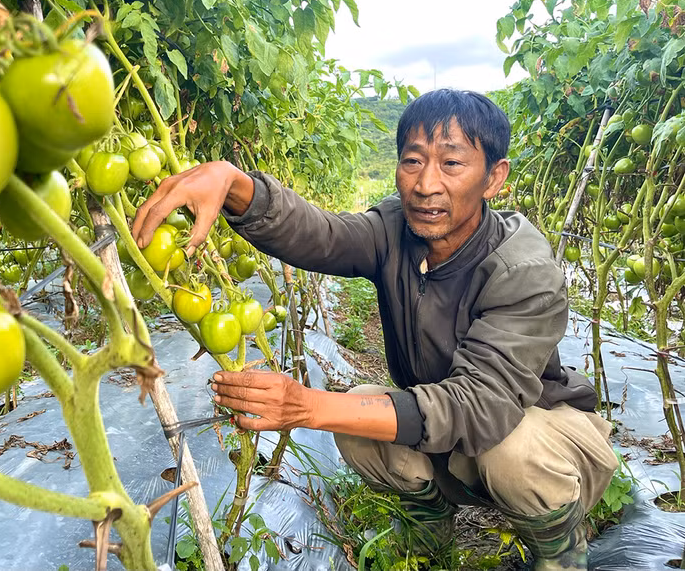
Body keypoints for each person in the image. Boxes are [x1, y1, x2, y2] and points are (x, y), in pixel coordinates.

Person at [131, 89, 618, 570]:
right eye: (412, 161)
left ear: (494, 178)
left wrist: (308, 406)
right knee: (355, 424)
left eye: (451, 164)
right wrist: (237, 186)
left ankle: (559, 548)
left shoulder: (522, 270)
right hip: (447, 431)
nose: (426, 184)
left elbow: (480, 406)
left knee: (511, 450)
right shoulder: (394, 229)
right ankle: (430, 529)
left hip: (539, 432)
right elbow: (323, 235)